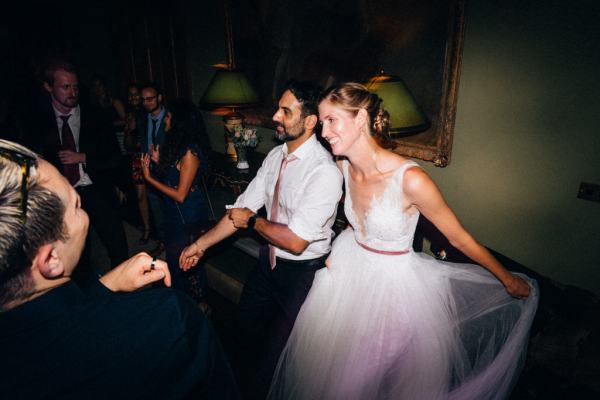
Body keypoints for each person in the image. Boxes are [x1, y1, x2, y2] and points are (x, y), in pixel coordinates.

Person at [268, 83, 539, 400]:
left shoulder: (411, 179)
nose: (324, 131)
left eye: (332, 120)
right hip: (348, 279)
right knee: (325, 371)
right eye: (322, 121)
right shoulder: (342, 167)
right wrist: (337, 252)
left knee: (353, 383)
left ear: (360, 119)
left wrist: (506, 280)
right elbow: (357, 225)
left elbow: (458, 238)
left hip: (394, 292)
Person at [0, 139, 239, 399]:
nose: (80, 200)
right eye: (76, 205)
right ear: (50, 260)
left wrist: (103, 287)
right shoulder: (170, 318)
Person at [180, 80, 343, 397]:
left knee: (290, 356)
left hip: (302, 274)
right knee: (244, 332)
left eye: (285, 111)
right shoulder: (275, 158)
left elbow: (295, 241)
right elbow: (240, 210)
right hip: (267, 265)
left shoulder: (324, 172)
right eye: (278, 109)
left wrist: (253, 221)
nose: (275, 117)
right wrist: (199, 246)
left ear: (310, 122)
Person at [25, 58, 128, 282]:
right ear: (48, 87)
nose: (73, 92)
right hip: (61, 196)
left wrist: (83, 157)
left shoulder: (96, 117)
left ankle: (122, 293)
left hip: (96, 188)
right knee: (75, 256)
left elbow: (114, 158)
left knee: (117, 244)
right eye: (65, 87)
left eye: (75, 86)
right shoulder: (36, 122)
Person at [140, 103, 210, 300]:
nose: (165, 120)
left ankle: (201, 305)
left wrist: (149, 178)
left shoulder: (190, 152)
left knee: (187, 261)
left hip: (187, 214)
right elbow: (171, 181)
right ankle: (182, 301)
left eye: (169, 117)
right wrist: (157, 162)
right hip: (174, 212)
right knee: (175, 258)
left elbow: (180, 194)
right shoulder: (179, 147)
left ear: (180, 123)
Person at [140, 82, 168, 256]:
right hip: (149, 172)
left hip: (167, 173)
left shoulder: (170, 118)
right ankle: (163, 242)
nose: (146, 103)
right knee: (157, 212)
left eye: (150, 99)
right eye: (143, 100)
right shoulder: (143, 119)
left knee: (171, 211)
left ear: (159, 98)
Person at [124, 82, 152, 244]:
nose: (134, 98)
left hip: (151, 157)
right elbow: (128, 146)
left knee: (157, 196)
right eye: (131, 95)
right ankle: (147, 229)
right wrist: (129, 129)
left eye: (136, 94)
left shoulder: (148, 112)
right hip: (137, 158)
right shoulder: (130, 115)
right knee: (141, 196)